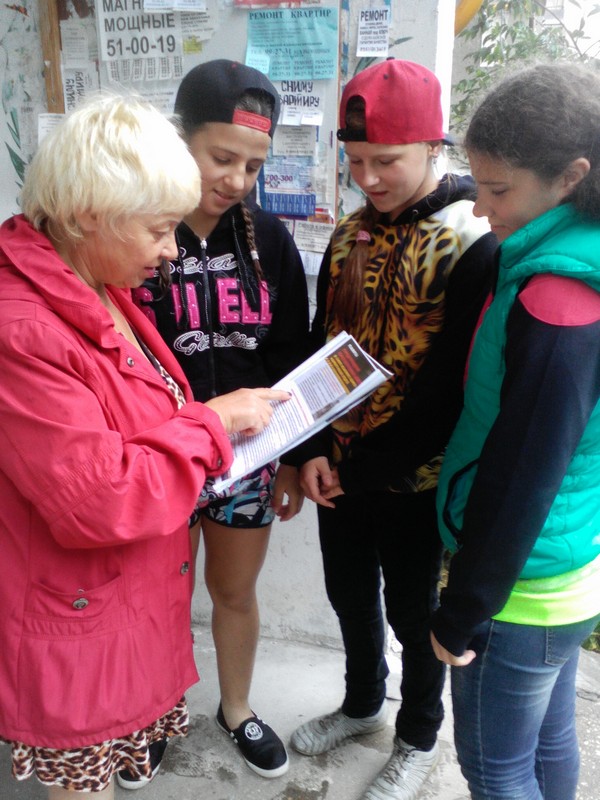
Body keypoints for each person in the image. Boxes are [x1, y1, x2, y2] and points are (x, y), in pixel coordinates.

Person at [0, 93, 290, 800]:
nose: (171, 249)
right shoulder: (24, 328)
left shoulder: (97, 284)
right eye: (160, 229)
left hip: (118, 609)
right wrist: (213, 425)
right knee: (84, 785)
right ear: (89, 214)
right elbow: (100, 497)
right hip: (75, 618)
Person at [286, 58, 497, 800]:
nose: (369, 179)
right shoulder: (348, 234)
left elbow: (451, 390)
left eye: (387, 162)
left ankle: (416, 736)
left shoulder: (473, 240)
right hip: (339, 465)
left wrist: (369, 464)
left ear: (432, 148)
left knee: (417, 615)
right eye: (356, 163)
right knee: (349, 594)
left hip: (418, 478)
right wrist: (311, 448)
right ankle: (361, 703)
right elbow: (321, 347)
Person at [131, 59, 309, 780]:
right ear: (180, 141)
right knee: (155, 600)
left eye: (254, 165)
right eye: (222, 157)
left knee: (234, 593)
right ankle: (151, 714)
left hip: (250, 463)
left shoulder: (269, 239)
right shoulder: (139, 233)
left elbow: (294, 355)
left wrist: (295, 457)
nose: (237, 177)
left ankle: (235, 709)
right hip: (160, 459)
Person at [430, 62, 600, 800]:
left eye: (497, 191)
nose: (479, 209)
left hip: (519, 589)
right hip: (565, 568)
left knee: (495, 770)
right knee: (549, 742)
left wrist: (463, 609)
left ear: (569, 177)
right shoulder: (566, 254)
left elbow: (523, 473)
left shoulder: (559, 298)